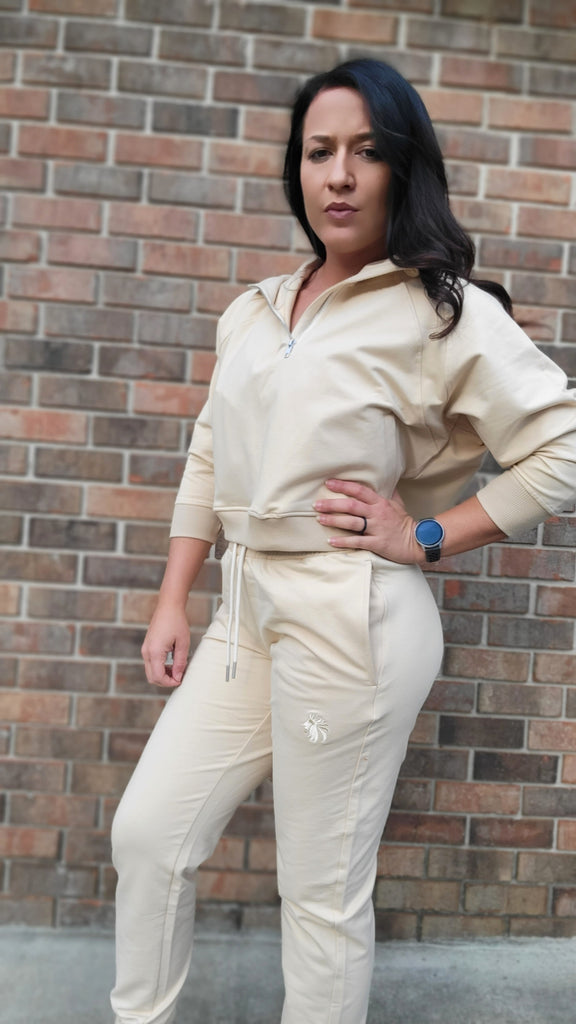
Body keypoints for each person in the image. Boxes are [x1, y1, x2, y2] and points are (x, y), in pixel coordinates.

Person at [110, 59, 576, 1024]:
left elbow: (562, 446)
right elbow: (209, 451)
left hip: (350, 621)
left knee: (319, 896)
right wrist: (172, 598)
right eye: (319, 151)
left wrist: (428, 534)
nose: (338, 175)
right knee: (149, 836)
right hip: (245, 615)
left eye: (366, 152)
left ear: (403, 166)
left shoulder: (442, 311)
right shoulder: (256, 310)